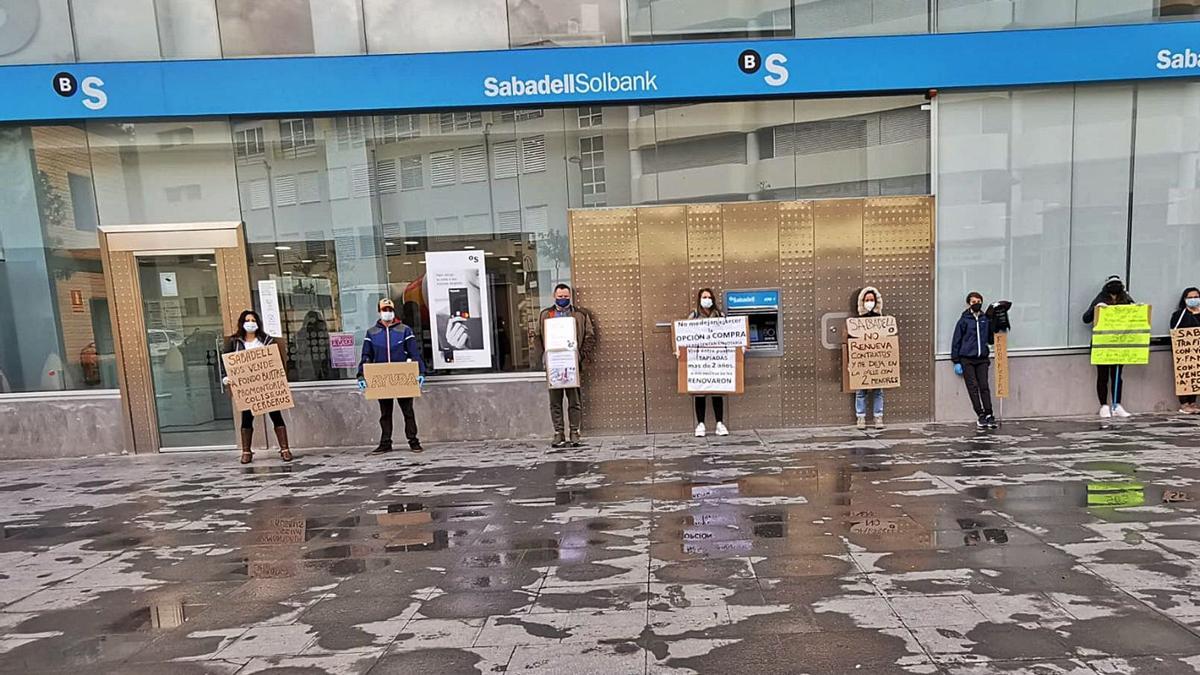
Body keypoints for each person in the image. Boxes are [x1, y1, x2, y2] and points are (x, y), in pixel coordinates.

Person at [222, 309, 292, 464]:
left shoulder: (266, 340)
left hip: (267, 386)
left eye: (253, 320)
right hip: (247, 388)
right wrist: (226, 377)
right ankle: (246, 451)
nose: (250, 323)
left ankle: (285, 448)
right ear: (242, 323)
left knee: (276, 415)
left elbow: (276, 361)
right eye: (247, 320)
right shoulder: (235, 342)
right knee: (247, 418)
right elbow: (226, 362)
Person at [357, 298, 426, 454]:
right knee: (385, 414)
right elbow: (366, 355)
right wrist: (361, 375)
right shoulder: (372, 333)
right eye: (384, 310)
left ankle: (413, 441)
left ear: (394, 311)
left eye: (389, 309)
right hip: (382, 380)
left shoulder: (404, 330)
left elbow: (414, 353)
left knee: (408, 411)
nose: (387, 312)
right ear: (379, 312)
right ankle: (385, 442)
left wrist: (420, 372)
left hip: (402, 377)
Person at [534, 284, 596, 448]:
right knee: (555, 401)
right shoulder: (546, 315)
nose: (563, 299)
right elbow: (537, 336)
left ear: (570, 296)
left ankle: (574, 432)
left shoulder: (580, 314)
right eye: (560, 296)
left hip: (573, 365)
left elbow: (590, 336)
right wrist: (544, 356)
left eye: (565, 296)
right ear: (554, 296)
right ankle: (558, 433)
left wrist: (581, 355)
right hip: (554, 364)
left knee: (574, 401)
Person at [1082, 275, 1135, 418]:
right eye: (1112, 284)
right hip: (1103, 345)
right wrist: (1096, 309)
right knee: (1103, 376)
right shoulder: (1099, 300)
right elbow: (1086, 318)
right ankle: (1104, 405)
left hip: (1120, 344)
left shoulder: (1127, 300)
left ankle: (1117, 404)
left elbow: (1135, 318)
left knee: (1117, 375)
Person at [685, 288, 729, 438]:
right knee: (700, 393)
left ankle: (719, 423)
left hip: (716, 359)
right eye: (704, 297)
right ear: (699, 299)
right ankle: (700, 424)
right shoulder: (694, 315)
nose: (707, 299)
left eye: (709, 297)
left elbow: (729, 334)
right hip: (699, 360)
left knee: (717, 391)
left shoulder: (719, 315)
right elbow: (684, 334)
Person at [951, 292, 997, 430]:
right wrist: (956, 360)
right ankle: (980, 415)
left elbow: (990, 339)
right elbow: (956, 340)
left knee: (984, 386)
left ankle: (989, 414)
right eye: (973, 302)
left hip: (982, 358)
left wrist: (994, 324)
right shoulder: (964, 320)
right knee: (973, 388)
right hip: (967, 359)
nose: (976, 304)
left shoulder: (985, 319)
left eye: (979, 301)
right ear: (968, 304)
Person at [853, 286, 885, 430]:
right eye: (867, 300)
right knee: (861, 391)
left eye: (871, 300)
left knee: (878, 391)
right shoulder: (857, 322)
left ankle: (878, 417)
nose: (869, 302)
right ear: (862, 302)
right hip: (861, 362)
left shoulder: (882, 320)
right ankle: (861, 417)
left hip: (877, 362)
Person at [1170, 287, 1200, 414]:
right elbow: (1175, 331)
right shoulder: (1179, 315)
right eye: (1190, 297)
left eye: (1196, 297)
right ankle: (1184, 403)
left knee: (1195, 376)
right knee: (1185, 375)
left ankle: (1193, 402)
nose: (1193, 300)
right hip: (1184, 352)